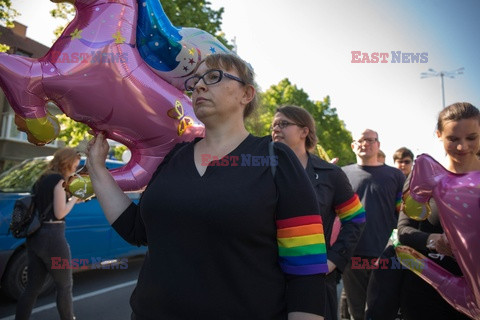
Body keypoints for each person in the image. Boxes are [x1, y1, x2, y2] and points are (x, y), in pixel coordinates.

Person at [86, 53, 327, 319]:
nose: (199, 86)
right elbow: (136, 229)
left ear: (246, 94)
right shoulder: (175, 157)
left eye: (213, 77)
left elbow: (306, 269)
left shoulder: (276, 159)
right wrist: (97, 169)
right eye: (195, 81)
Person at [271, 105, 366, 320]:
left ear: (305, 131)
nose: (276, 129)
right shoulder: (263, 171)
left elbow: (356, 219)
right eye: (274, 125)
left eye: (283, 124)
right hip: (269, 276)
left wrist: (334, 259)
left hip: (316, 279)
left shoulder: (331, 174)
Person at [397, 102, 479, 320]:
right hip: (426, 291)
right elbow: (403, 230)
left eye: (471, 138)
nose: (462, 147)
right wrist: (435, 240)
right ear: (439, 135)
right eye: (453, 139)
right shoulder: (423, 178)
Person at [340, 129, 405, 320]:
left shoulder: (396, 176)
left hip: (385, 255)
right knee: (357, 312)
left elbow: (403, 214)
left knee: (384, 311)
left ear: (378, 144)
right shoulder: (341, 175)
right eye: (360, 140)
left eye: (370, 140)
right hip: (351, 254)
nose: (365, 143)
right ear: (353, 146)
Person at [15, 148, 80, 320]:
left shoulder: (42, 179)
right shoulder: (58, 180)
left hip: (35, 236)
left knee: (32, 287)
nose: (75, 168)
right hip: (52, 237)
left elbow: (47, 205)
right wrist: (73, 199)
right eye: (75, 164)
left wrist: (70, 197)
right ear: (67, 162)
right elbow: (60, 213)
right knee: (64, 286)